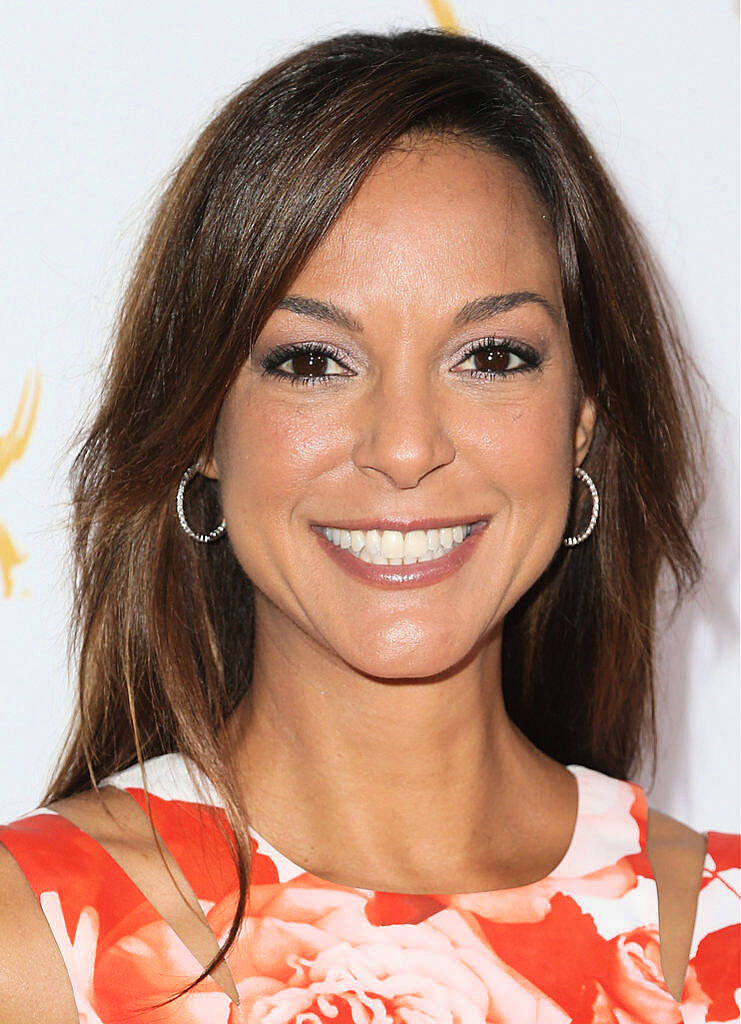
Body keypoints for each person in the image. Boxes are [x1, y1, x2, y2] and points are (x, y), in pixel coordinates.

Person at [0, 25, 738, 1024]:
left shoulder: (720, 935)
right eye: (311, 361)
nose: (403, 446)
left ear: (581, 420)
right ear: (202, 427)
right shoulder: (33, 942)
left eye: (489, 355)